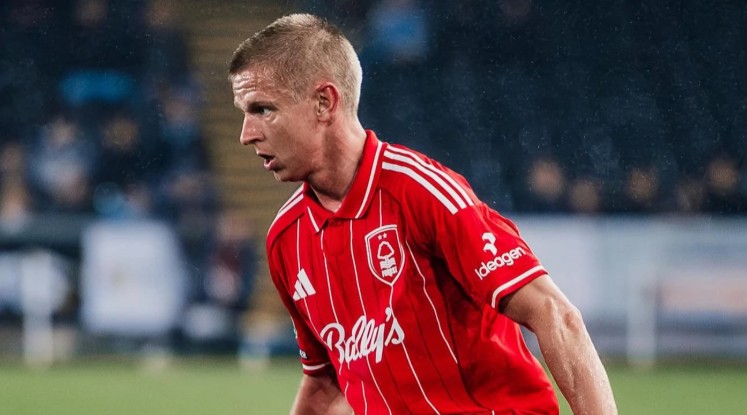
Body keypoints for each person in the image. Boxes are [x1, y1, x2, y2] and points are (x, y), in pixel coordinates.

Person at [228, 14, 617, 415]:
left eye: (263, 109)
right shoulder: (286, 239)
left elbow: (555, 314)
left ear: (324, 102)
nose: (246, 134)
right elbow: (325, 383)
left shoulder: (422, 192)